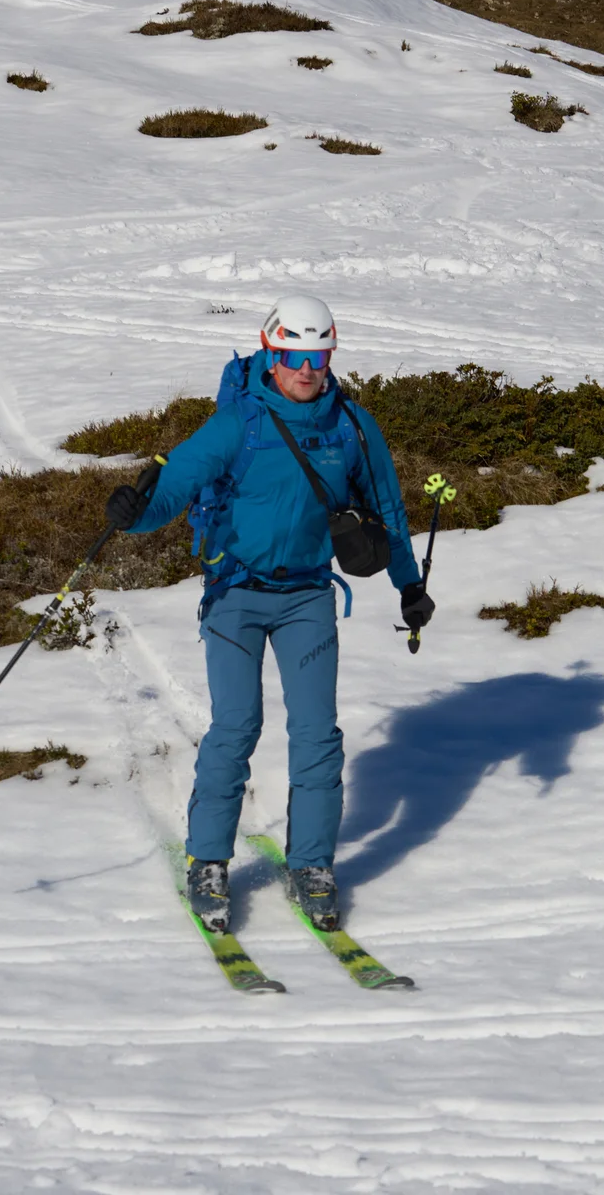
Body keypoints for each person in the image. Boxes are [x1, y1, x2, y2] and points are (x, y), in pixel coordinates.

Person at [103, 294, 433, 933]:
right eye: (292, 356)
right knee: (237, 726)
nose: (305, 370)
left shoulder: (352, 426)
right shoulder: (240, 423)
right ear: (270, 352)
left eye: (317, 356)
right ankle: (208, 862)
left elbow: (388, 510)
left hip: (308, 596)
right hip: (235, 593)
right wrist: (135, 515)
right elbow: (175, 484)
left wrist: (408, 585)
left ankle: (312, 864)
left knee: (317, 734)